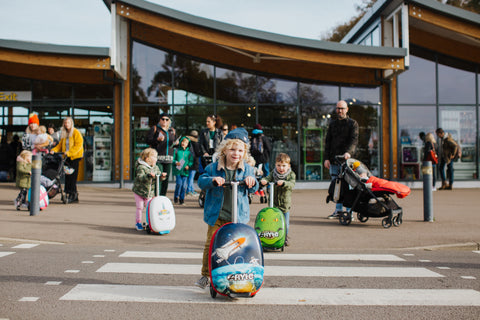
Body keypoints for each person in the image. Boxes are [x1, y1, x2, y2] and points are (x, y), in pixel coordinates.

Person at [194, 128, 258, 289]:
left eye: (240, 150)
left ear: (244, 152)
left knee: (238, 246)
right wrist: (212, 180)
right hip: (217, 216)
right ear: (225, 150)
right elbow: (201, 181)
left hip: (238, 217)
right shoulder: (213, 168)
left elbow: (254, 186)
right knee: (211, 245)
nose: (236, 153)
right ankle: (206, 275)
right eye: (232, 149)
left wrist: (252, 181)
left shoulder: (248, 170)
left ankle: (236, 273)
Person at [324, 100, 359, 219]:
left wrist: (348, 153)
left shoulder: (352, 124)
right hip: (334, 160)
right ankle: (338, 211)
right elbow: (327, 142)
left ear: (347, 109)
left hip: (347, 161)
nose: (340, 111)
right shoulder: (332, 124)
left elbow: (354, 141)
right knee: (336, 186)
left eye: (342, 108)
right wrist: (326, 159)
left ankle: (349, 211)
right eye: (338, 108)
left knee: (349, 185)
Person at [260, 153, 296, 246]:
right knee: (272, 222)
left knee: (285, 223)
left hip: (284, 204)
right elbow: (267, 178)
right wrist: (264, 181)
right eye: (278, 165)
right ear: (275, 165)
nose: (281, 168)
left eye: (284, 166)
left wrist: (284, 183)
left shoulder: (291, 174)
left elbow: (291, 184)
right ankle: (273, 236)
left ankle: (285, 237)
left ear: (288, 166)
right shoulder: (273, 173)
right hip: (274, 203)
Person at [50, 117, 84, 203]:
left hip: (75, 157)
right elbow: (60, 145)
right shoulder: (64, 134)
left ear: (71, 123)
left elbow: (78, 146)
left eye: (68, 123)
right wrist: (54, 150)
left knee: (73, 177)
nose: (66, 124)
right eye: (65, 123)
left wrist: (69, 152)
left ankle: (73, 194)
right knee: (68, 177)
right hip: (67, 157)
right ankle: (71, 194)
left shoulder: (76, 132)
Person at [132, 148, 165, 231]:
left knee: (150, 208)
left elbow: (158, 176)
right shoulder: (141, 167)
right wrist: (148, 176)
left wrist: (162, 176)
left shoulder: (155, 167)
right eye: (154, 157)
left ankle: (150, 223)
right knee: (140, 207)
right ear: (148, 159)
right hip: (139, 191)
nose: (156, 159)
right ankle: (138, 222)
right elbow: (140, 177)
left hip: (149, 192)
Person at [146, 113, 176, 196]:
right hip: (158, 158)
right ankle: (157, 196)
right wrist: (157, 140)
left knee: (165, 180)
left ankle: (163, 197)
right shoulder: (155, 129)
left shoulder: (172, 131)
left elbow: (173, 142)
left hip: (169, 158)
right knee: (158, 178)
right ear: (159, 120)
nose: (165, 121)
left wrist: (176, 143)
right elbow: (148, 140)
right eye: (163, 119)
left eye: (167, 119)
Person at [173, 136, 193, 205]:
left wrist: (188, 165)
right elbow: (173, 159)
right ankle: (176, 196)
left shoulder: (189, 153)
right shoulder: (176, 151)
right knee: (179, 184)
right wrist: (176, 162)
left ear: (188, 144)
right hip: (178, 171)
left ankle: (182, 199)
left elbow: (191, 161)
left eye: (186, 142)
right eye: (183, 141)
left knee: (184, 186)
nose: (184, 143)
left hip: (185, 172)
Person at [186, 130, 201, 197]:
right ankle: (189, 190)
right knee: (191, 177)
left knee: (189, 177)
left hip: (188, 162)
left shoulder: (188, 143)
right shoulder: (196, 143)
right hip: (194, 162)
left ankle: (191, 190)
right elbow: (198, 153)